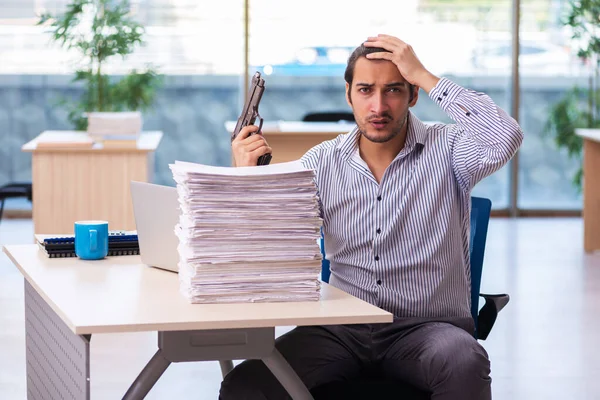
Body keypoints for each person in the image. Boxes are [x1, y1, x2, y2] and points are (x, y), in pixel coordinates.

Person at [223, 34, 523, 400]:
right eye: (366, 90)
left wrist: (425, 75)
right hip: (339, 331)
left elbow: (504, 135)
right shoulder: (322, 162)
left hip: (426, 330)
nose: (378, 105)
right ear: (348, 93)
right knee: (247, 385)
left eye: (394, 90)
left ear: (413, 95)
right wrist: (245, 178)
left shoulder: (450, 150)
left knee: (464, 361)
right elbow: (263, 242)